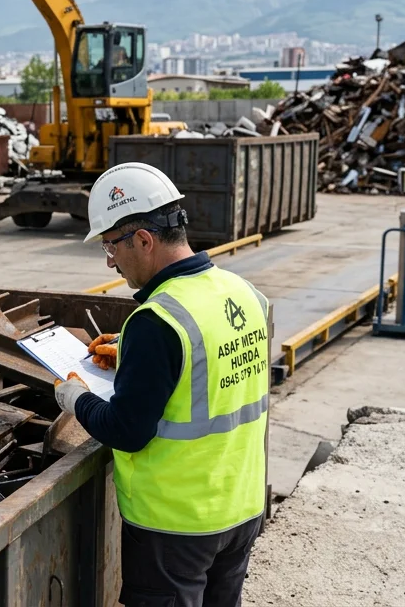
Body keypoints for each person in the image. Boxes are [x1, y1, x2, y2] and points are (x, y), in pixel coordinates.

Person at [54, 162, 271, 607]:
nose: (111, 260)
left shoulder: (158, 321)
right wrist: (133, 352)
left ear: (145, 240)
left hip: (177, 527)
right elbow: (209, 372)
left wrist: (74, 396)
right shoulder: (243, 292)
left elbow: (127, 430)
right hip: (240, 508)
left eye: (111, 246)